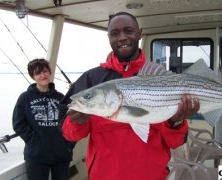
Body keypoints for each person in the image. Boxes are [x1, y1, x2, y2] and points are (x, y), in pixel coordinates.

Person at [61, 12, 200, 180]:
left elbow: (175, 142)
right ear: (108, 37)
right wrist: (76, 122)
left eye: (128, 31)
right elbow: (69, 135)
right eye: (115, 33)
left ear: (139, 33)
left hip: (151, 176)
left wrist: (176, 122)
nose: (122, 37)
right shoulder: (91, 79)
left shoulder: (160, 79)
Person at [12, 59, 73, 180]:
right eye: (38, 73)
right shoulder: (25, 98)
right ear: (33, 77)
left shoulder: (62, 98)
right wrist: (35, 142)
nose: (43, 75)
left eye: (45, 71)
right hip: (36, 156)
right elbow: (18, 123)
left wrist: (68, 145)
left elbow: (71, 123)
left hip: (61, 154)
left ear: (50, 73)